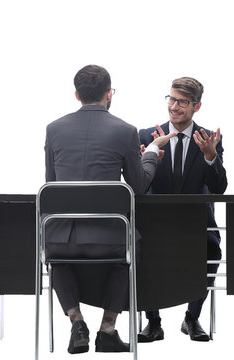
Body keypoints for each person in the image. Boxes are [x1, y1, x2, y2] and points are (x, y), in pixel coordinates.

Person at [44, 64, 175, 354]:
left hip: (62, 237)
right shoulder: (125, 131)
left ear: (76, 94)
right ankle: (107, 329)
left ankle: (76, 321)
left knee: (56, 255)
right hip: (110, 240)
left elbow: (50, 184)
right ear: (109, 94)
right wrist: (151, 152)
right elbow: (138, 187)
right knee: (129, 251)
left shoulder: (53, 129)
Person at [138, 77, 227, 342]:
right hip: (155, 222)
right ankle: (153, 322)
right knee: (140, 248)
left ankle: (192, 318)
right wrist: (149, 155)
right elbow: (138, 186)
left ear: (197, 106)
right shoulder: (146, 135)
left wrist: (211, 156)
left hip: (195, 223)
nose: (174, 107)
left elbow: (219, 188)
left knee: (212, 250)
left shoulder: (208, 138)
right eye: (172, 99)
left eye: (183, 102)